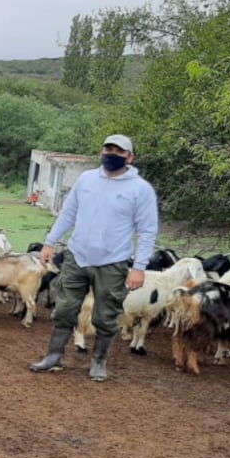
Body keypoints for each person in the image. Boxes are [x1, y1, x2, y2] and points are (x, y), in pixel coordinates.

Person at [30, 134, 158, 382]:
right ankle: (54, 356)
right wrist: (49, 242)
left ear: (129, 157)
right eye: (107, 149)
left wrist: (139, 267)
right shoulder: (86, 179)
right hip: (77, 256)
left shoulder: (140, 189)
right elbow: (69, 213)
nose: (111, 154)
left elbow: (147, 230)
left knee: (105, 315)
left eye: (118, 151)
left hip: (113, 261)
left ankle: (99, 362)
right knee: (64, 308)